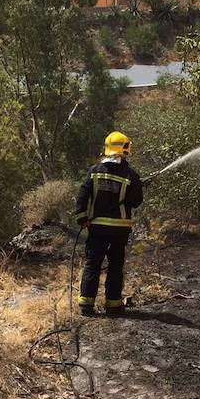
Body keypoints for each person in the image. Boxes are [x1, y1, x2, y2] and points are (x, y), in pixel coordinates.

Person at [74, 131, 144, 316]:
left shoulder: (94, 171)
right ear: (125, 149)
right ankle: (113, 305)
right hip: (120, 230)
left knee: (92, 264)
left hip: (97, 228)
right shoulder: (131, 175)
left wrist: (82, 218)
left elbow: (82, 195)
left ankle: (86, 305)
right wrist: (137, 187)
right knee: (115, 266)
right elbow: (135, 202)